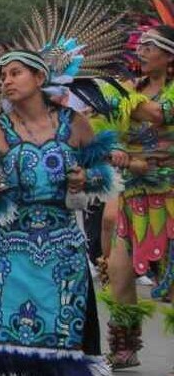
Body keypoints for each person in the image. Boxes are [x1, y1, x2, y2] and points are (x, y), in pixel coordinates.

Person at [0, 47, 118, 376]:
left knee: (61, 344)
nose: (7, 81)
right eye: (3, 75)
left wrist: (85, 178)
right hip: (10, 248)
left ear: (40, 77)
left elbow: (104, 176)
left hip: (63, 249)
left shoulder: (75, 123)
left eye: (15, 73)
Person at [97, 18, 174, 371]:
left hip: (170, 195)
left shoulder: (141, 93)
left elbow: (158, 114)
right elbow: (106, 129)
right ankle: (125, 347)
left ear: (169, 57)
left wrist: (111, 91)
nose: (140, 52)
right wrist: (114, 149)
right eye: (140, 46)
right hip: (134, 194)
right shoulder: (130, 88)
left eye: (149, 47)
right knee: (119, 272)